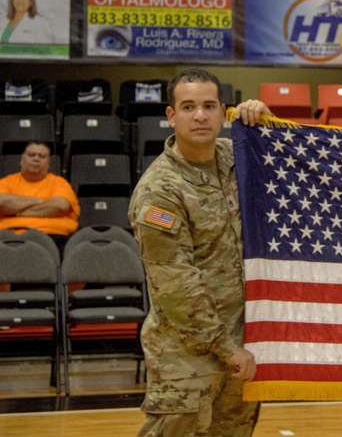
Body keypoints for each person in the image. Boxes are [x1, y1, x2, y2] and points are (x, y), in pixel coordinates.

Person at [128, 69, 270, 436]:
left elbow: (294, 174)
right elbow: (174, 284)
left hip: (243, 347)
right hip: (188, 356)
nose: (201, 116)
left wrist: (269, 127)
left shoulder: (235, 157)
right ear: (171, 116)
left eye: (209, 106)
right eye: (188, 107)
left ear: (224, 112)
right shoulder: (159, 190)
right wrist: (226, 349)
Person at [0, 142, 79, 253]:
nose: (36, 159)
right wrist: (36, 201)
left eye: (41, 156)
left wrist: (17, 212)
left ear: (48, 163)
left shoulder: (59, 183)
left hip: (53, 238)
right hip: (9, 238)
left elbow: (60, 206)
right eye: (31, 155)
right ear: (22, 159)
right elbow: (2, 203)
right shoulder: (6, 182)